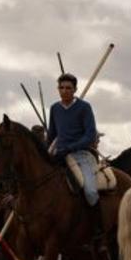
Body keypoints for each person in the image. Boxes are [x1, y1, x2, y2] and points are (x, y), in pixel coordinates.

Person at [46, 73, 103, 242]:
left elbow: (90, 135)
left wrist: (70, 148)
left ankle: (97, 231)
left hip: (81, 155)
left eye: (68, 88)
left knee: (91, 191)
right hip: (59, 155)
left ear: (75, 89)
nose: (64, 91)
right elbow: (52, 135)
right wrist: (46, 152)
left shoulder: (84, 107)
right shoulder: (54, 108)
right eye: (61, 88)